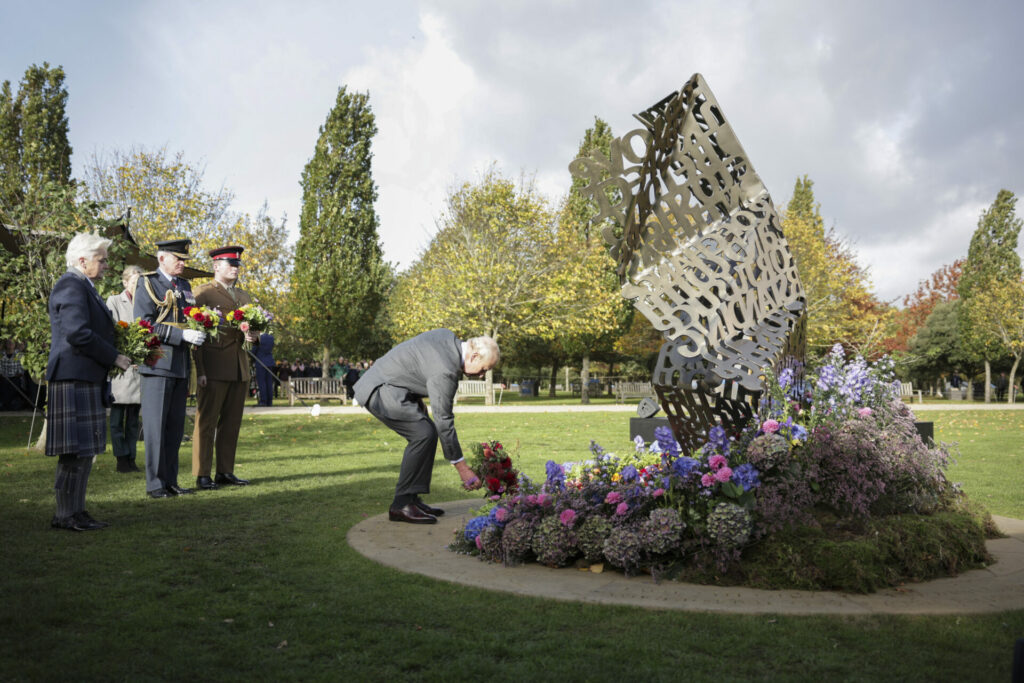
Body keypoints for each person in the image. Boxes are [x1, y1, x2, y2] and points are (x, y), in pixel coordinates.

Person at [354, 329, 499, 524]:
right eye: (483, 369)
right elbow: (444, 420)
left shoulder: (446, 337)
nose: (482, 375)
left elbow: (416, 361)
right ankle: (401, 505)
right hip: (380, 390)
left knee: (426, 433)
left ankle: (411, 499)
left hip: (388, 385)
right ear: (473, 356)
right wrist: (462, 468)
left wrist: (414, 398)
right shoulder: (446, 370)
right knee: (423, 434)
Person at [46, 232, 132, 530]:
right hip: (74, 376)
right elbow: (77, 333)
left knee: (84, 450)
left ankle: (76, 510)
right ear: (82, 261)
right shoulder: (71, 284)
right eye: (101, 260)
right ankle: (65, 514)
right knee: (74, 451)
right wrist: (114, 357)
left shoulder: (85, 286)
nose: (106, 265)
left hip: (83, 376)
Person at [134, 238, 207, 499]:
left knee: (175, 428)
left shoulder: (184, 285)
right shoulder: (147, 282)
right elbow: (143, 323)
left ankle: (171, 480)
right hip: (158, 362)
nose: (182, 263)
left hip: (180, 364)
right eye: (178, 259)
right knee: (156, 428)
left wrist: (201, 328)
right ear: (161, 257)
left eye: (184, 259)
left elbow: (190, 316)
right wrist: (181, 336)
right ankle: (155, 484)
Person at [191, 245, 254, 489]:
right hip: (214, 367)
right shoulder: (203, 293)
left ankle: (225, 471)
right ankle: (202, 473)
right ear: (216, 266)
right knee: (206, 423)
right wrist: (201, 371)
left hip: (239, 367)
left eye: (237, 264)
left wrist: (254, 336)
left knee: (231, 424)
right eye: (231, 264)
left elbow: (254, 328)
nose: (236, 268)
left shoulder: (244, 297)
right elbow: (195, 334)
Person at [106, 265, 144, 473]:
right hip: (121, 366)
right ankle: (120, 457)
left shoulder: (145, 300)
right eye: (133, 282)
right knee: (116, 418)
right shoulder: (114, 301)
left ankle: (131, 457)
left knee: (132, 420)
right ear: (125, 282)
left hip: (139, 367)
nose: (136, 286)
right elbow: (111, 330)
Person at [1, 339, 27, 410]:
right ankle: (5, 406)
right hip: (4, 377)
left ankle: (13, 406)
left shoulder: (19, 354)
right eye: (8, 342)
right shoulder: (1, 354)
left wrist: (18, 374)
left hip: (15, 377)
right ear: (5, 344)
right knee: (4, 389)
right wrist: (2, 374)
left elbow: (21, 367)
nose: (10, 344)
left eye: (12, 342)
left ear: (15, 344)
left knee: (15, 389)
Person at [254, 331, 275, 407]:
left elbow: (254, 350)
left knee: (262, 383)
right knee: (269, 382)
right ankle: (269, 402)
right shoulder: (271, 337)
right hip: (269, 361)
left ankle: (263, 401)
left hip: (261, 362)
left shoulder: (259, 338)